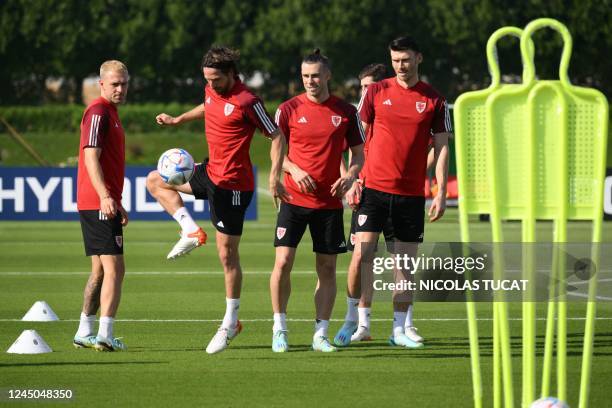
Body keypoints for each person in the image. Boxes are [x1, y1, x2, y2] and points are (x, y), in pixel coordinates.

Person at [146, 46, 288, 354]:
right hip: (209, 172)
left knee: (227, 255)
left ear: (231, 74)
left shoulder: (248, 101)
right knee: (155, 180)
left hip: (233, 187)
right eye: (206, 79)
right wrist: (179, 120)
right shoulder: (212, 90)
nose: (210, 85)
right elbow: (208, 105)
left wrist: (274, 176)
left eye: (215, 79)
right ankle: (190, 230)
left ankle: (231, 321)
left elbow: (276, 135)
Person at [334, 36, 452, 349]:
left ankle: (399, 330)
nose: (401, 65)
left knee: (404, 265)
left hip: (411, 196)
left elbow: (441, 148)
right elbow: (353, 135)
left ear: (419, 59)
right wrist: (352, 175)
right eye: (396, 60)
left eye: (406, 59)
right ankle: (355, 321)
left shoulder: (435, 100)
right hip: (372, 189)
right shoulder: (374, 92)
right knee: (362, 255)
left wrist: (439, 192)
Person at [270, 49, 364, 353]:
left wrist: (350, 176)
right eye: (305, 76)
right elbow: (276, 153)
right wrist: (293, 169)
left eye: (315, 76)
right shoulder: (287, 109)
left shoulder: (347, 112)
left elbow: (359, 154)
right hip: (293, 200)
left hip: (329, 204)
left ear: (327, 76)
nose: (310, 81)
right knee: (283, 262)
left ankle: (320, 333)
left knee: (326, 268)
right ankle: (279, 328)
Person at [73, 60, 130, 352]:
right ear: (102, 84)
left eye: (124, 84)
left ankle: (84, 330)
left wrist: (114, 200)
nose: (120, 89)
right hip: (98, 202)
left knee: (99, 270)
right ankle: (106, 334)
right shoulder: (98, 112)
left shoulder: (111, 113)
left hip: (102, 201)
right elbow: (91, 157)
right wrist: (106, 197)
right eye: (114, 84)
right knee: (115, 269)